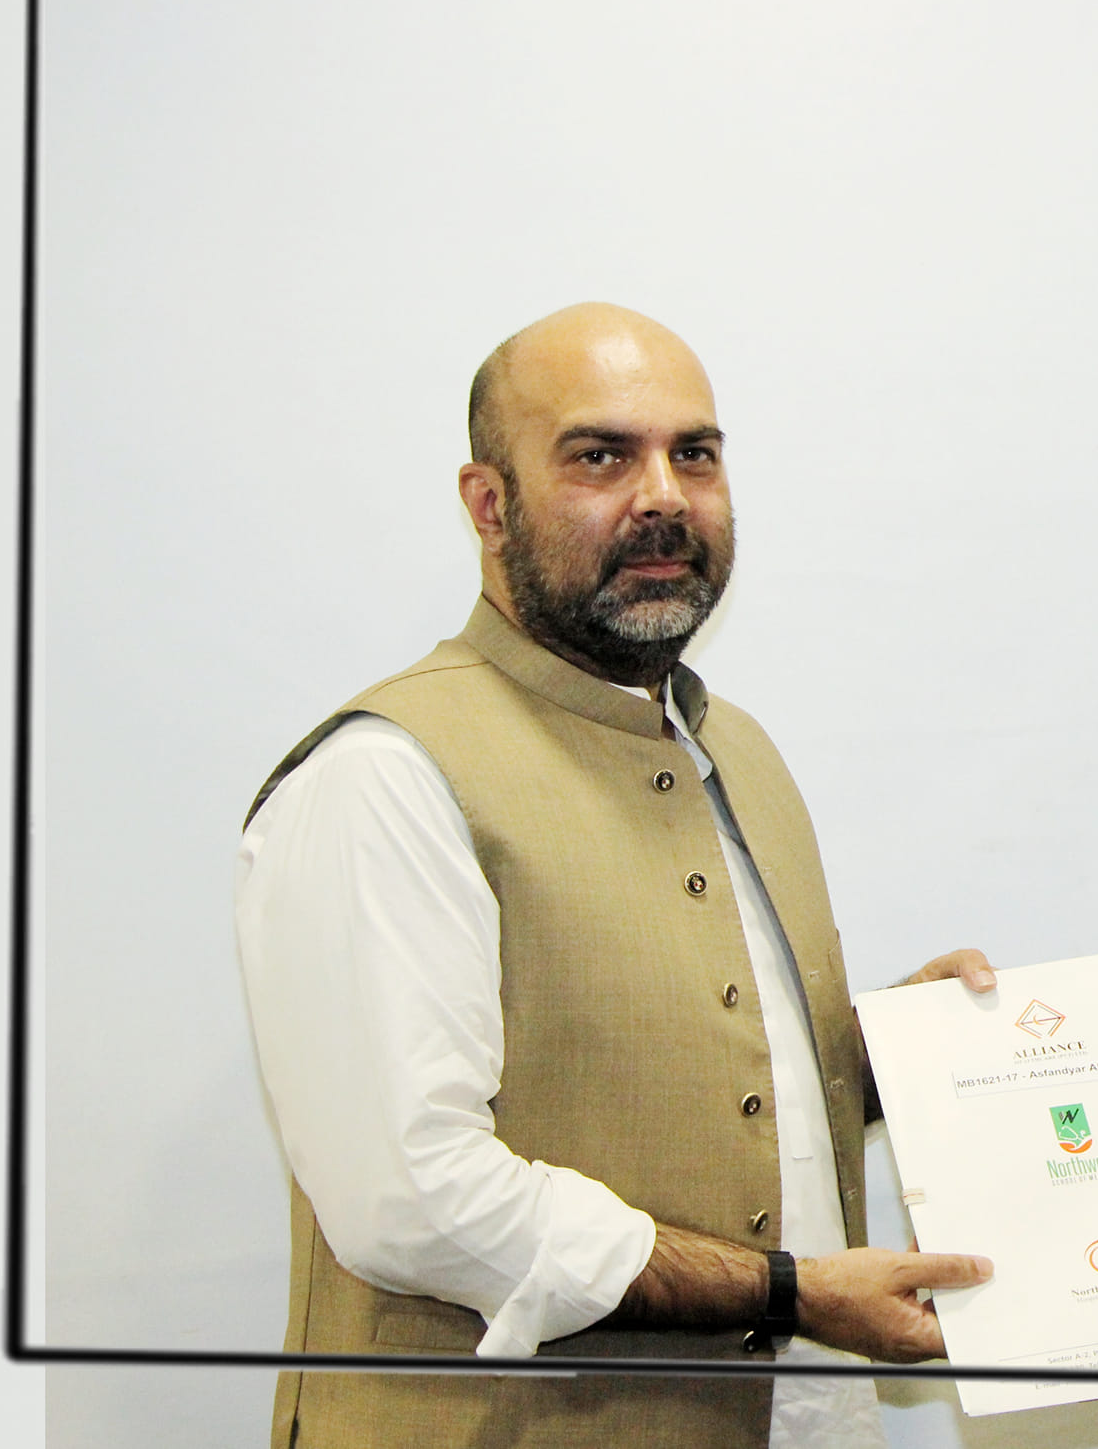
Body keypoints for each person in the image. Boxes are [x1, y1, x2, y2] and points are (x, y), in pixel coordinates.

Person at [236, 302, 993, 1449]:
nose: (662, 496)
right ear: (487, 504)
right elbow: (415, 1199)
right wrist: (786, 1294)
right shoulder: (384, 776)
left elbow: (690, 1081)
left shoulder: (734, 749)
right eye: (600, 456)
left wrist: (882, 1061)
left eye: (695, 453)